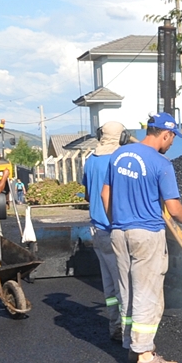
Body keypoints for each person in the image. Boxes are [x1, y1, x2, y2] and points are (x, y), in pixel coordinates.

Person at [102, 113, 182, 363]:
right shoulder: (161, 163)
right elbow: (174, 208)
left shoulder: (118, 155)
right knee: (149, 294)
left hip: (119, 232)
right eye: (172, 139)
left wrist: (119, 221)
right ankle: (146, 356)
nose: (171, 144)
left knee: (127, 291)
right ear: (165, 134)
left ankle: (132, 346)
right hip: (146, 234)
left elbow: (105, 194)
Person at [81, 121, 127, 342]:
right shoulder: (120, 161)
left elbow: (89, 195)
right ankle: (128, 332)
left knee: (109, 283)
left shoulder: (90, 161)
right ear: (122, 137)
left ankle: (115, 325)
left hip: (97, 228)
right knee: (124, 284)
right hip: (115, 228)